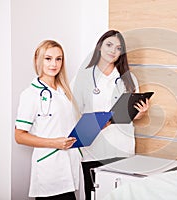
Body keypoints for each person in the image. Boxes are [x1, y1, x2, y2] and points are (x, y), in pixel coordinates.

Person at [72, 30, 150, 200]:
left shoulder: (128, 78)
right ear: (99, 46)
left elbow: (133, 115)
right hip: (94, 150)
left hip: (123, 148)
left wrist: (141, 112)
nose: (113, 51)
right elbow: (73, 112)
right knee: (96, 196)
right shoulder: (83, 77)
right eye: (109, 45)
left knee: (123, 196)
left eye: (118, 48)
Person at [15, 40, 82, 199]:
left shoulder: (64, 92)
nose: (54, 64)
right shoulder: (30, 94)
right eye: (48, 58)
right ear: (38, 60)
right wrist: (54, 143)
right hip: (50, 169)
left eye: (58, 59)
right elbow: (19, 136)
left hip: (69, 166)